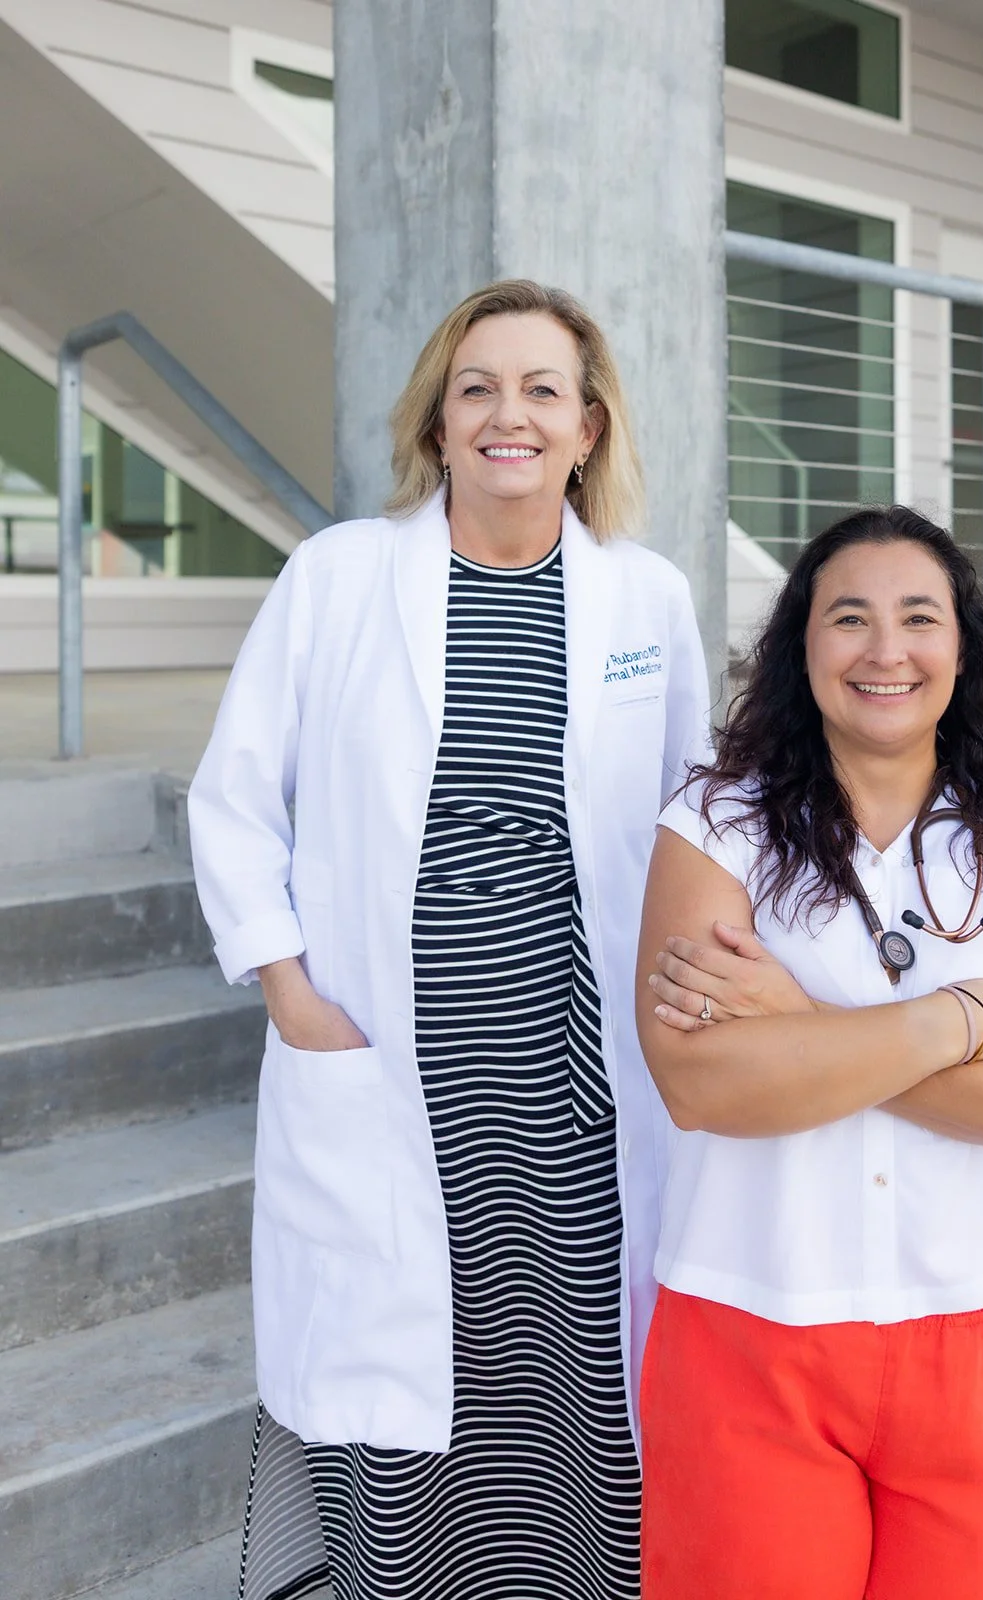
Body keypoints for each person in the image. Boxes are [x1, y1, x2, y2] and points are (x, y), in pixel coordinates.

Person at [188, 280, 709, 1600]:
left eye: (542, 390)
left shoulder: (645, 601)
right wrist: (289, 992)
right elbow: (234, 794)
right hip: (390, 1071)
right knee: (401, 1419)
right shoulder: (338, 578)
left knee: (573, 1389)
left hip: (577, 1091)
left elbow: (697, 815)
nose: (508, 415)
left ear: (588, 429)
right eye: (477, 387)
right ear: (437, 421)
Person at [634, 505, 983, 1600]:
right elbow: (702, 1080)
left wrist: (799, 1029)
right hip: (746, 1325)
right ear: (800, 647)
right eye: (848, 618)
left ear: (963, 646)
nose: (885, 649)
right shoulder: (715, 826)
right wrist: (959, 1018)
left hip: (981, 1333)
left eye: (918, 617)